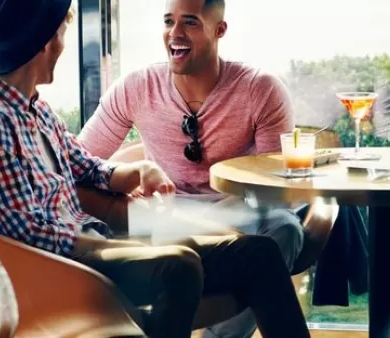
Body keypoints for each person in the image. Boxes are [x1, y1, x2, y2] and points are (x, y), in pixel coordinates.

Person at [0, 1, 310, 337]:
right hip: (66, 262)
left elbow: (85, 165)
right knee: (178, 265)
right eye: (61, 36)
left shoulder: (37, 112)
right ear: (45, 45)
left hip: (98, 243)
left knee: (259, 253)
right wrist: (108, 239)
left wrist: (135, 172)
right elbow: (23, 233)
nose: (62, 46)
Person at [77, 1, 304, 335]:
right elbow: (80, 161)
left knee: (286, 227)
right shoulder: (136, 87)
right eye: (168, 21)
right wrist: (127, 183)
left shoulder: (261, 89)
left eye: (191, 23)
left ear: (219, 30)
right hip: (163, 214)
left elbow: (272, 189)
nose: (175, 33)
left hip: (238, 210)